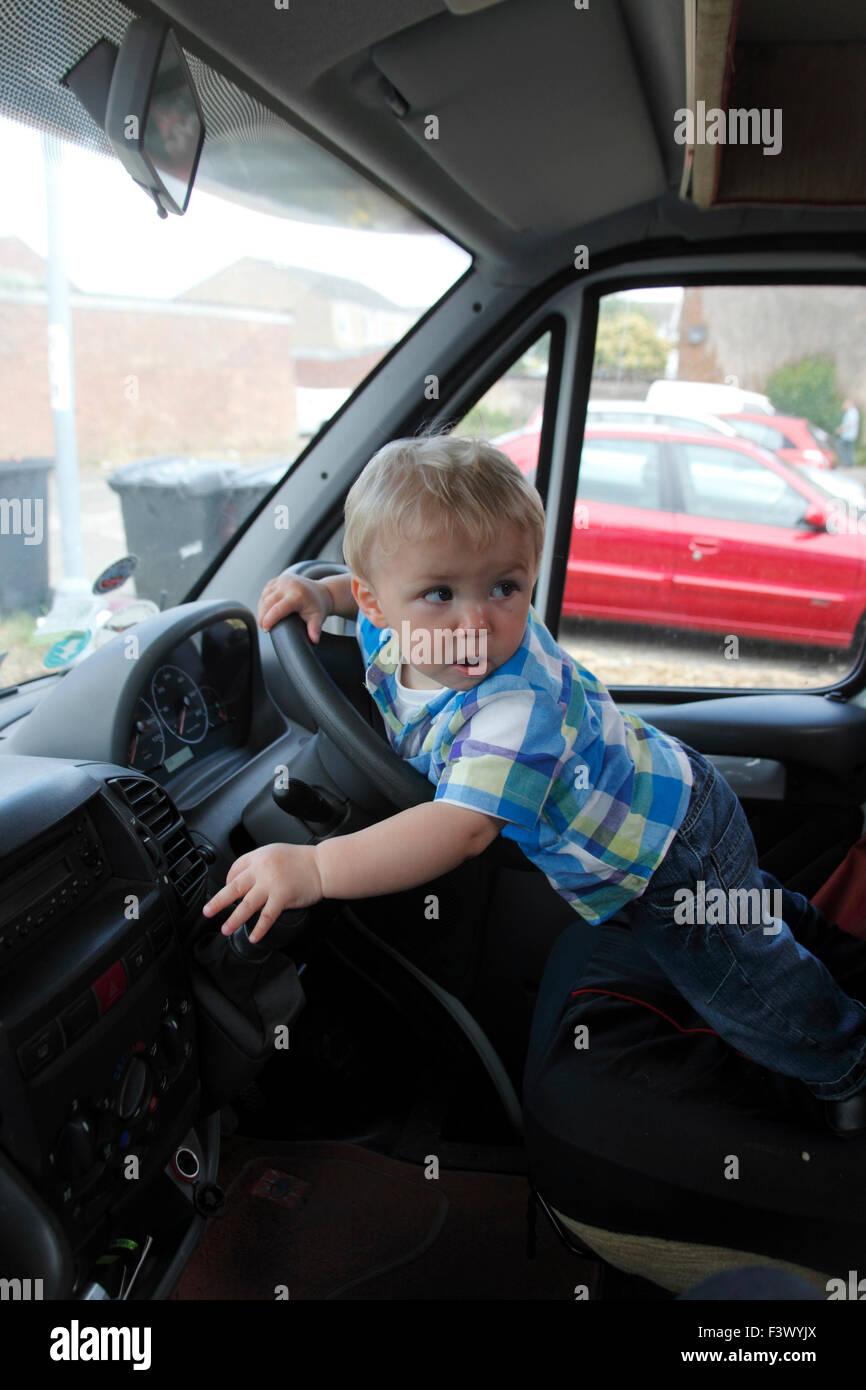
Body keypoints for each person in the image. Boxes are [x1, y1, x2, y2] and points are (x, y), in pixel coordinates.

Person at [202, 434, 866, 1136]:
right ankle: (806, 937)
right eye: (439, 592)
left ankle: (844, 1065)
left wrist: (313, 864)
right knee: (745, 919)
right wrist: (318, 592)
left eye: (505, 587)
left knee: (735, 975)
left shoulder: (512, 708)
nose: (476, 622)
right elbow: (355, 584)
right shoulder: (391, 631)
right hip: (668, 806)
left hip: (667, 850)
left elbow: (457, 828)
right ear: (374, 604)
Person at [835, 398, 860, 468]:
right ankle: (849, 463)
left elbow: (850, 424)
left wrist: (841, 429)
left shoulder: (852, 412)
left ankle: (847, 463)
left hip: (848, 434)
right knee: (849, 449)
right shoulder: (851, 412)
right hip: (848, 434)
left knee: (842, 447)